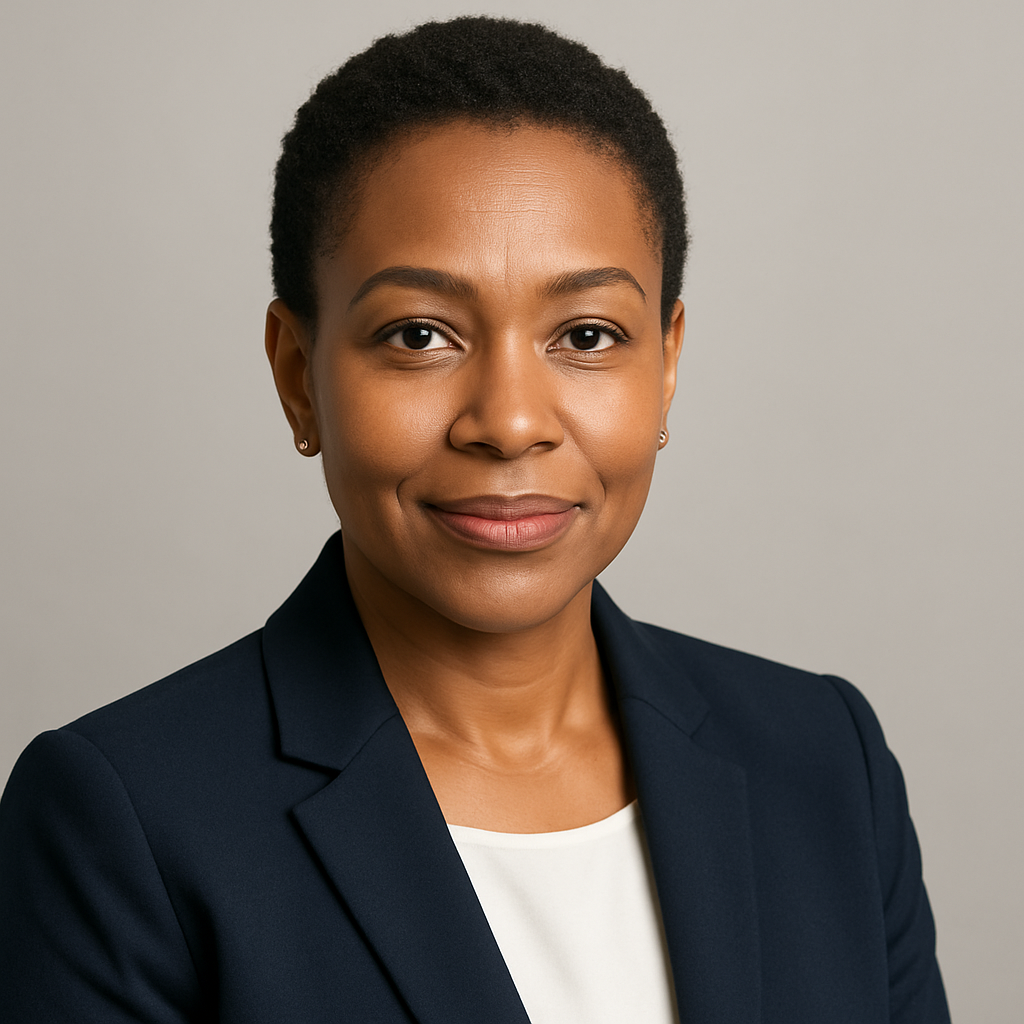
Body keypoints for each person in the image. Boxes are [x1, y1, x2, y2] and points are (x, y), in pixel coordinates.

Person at [0, 16, 950, 1024]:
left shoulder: (823, 763)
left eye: (586, 334)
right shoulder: (123, 819)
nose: (508, 422)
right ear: (298, 377)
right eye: (418, 335)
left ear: (665, 366)